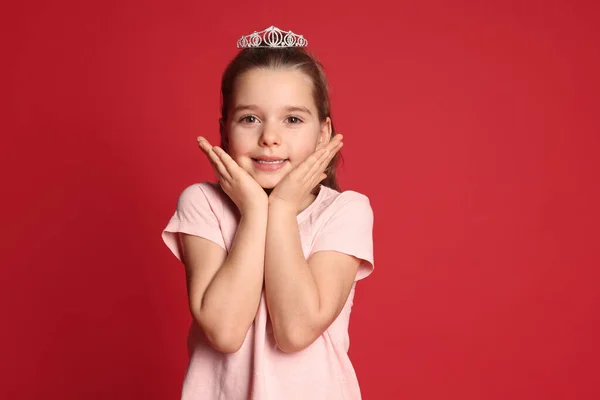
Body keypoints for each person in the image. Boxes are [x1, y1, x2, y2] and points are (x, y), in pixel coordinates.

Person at [161, 25, 375, 400]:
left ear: (323, 133)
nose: (270, 137)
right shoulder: (201, 203)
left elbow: (295, 331)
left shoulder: (345, 210)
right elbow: (225, 332)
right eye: (250, 118)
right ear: (224, 132)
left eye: (292, 119)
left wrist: (281, 210)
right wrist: (255, 212)